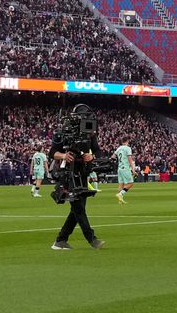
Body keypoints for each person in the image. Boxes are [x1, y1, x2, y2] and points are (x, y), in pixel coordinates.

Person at [49, 104, 105, 251]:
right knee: (78, 208)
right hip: (68, 172)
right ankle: (92, 239)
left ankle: (61, 240)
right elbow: (52, 152)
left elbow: (98, 151)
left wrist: (91, 156)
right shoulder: (64, 132)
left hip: (82, 172)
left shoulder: (89, 133)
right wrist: (63, 156)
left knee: (78, 209)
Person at [114, 136, 134, 204]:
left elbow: (113, 156)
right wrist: (133, 169)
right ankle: (120, 194)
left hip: (119, 168)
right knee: (130, 183)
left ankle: (120, 200)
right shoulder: (127, 148)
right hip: (125, 168)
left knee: (121, 185)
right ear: (127, 141)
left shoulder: (119, 148)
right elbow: (130, 159)